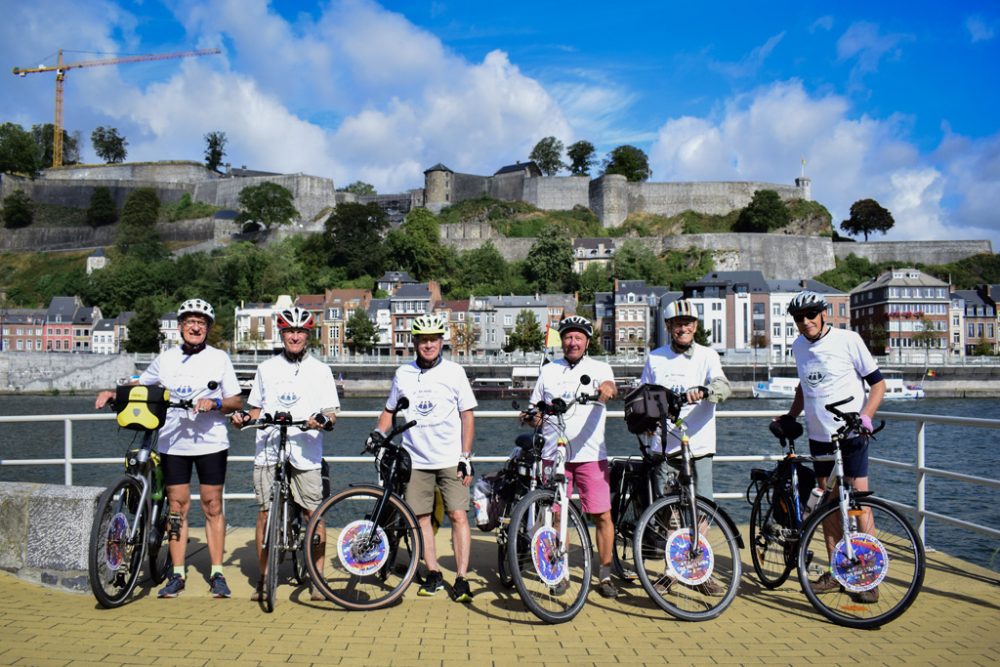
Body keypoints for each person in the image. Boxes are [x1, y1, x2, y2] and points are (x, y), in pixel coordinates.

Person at [96, 298, 242, 598]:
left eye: (201, 323)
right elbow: (141, 384)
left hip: (211, 442)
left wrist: (214, 402)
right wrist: (114, 392)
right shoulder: (166, 359)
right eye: (190, 321)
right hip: (173, 442)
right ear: (180, 327)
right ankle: (177, 574)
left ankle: (217, 573)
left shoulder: (220, 358)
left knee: (212, 505)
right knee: (177, 508)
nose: (195, 326)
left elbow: (235, 401)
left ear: (208, 328)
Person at [779, 290, 886, 603]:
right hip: (819, 436)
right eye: (799, 318)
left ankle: (868, 574)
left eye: (811, 315)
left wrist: (866, 417)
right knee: (826, 504)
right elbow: (804, 386)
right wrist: (790, 415)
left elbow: (878, 385)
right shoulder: (798, 346)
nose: (806, 322)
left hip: (850, 435)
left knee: (860, 504)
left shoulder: (848, 340)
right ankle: (837, 569)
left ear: (823, 313)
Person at [229, 306, 339, 602]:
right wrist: (244, 419)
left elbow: (331, 412)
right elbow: (254, 409)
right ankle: (265, 579)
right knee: (265, 513)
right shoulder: (266, 368)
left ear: (308, 335)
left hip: (306, 448)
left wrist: (324, 421)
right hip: (269, 447)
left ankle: (318, 580)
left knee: (313, 513)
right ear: (282, 334)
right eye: (289, 331)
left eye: (300, 331)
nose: (294, 336)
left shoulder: (321, 370)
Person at [373, 313, 477, 602]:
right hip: (415, 460)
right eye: (422, 340)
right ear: (415, 342)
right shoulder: (403, 374)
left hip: (449, 458)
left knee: (458, 515)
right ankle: (433, 572)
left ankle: (462, 577)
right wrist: (377, 434)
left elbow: (467, 416)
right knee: (420, 518)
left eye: (433, 339)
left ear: (441, 341)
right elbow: (389, 410)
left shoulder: (455, 372)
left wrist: (465, 455)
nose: (428, 345)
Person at [523, 315, 618, 598]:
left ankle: (604, 574)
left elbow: (610, 388)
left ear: (587, 341)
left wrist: (606, 390)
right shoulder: (549, 371)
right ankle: (559, 572)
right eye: (567, 337)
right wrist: (529, 417)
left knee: (602, 514)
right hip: (554, 455)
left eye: (578, 337)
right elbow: (535, 411)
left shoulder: (599, 367)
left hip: (590, 455)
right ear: (561, 341)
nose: (572, 342)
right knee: (556, 516)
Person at [639, 298, 732, 503]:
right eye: (678, 323)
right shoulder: (655, 358)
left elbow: (724, 386)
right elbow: (643, 396)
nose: (683, 328)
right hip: (665, 448)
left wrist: (705, 391)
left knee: (703, 506)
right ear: (668, 326)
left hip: (700, 445)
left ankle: (699, 536)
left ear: (696, 326)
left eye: (688, 323)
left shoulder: (708, 355)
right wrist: (647, 422)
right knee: (665, 509)